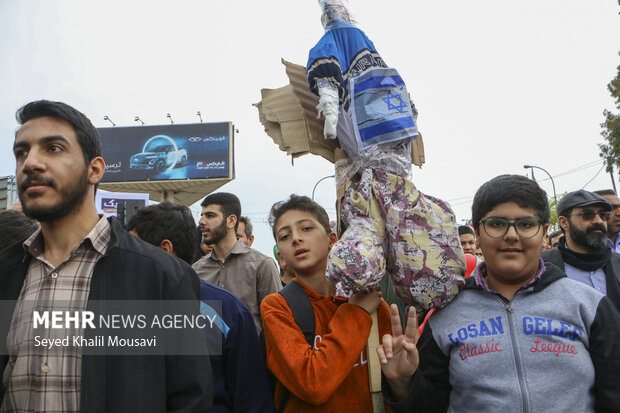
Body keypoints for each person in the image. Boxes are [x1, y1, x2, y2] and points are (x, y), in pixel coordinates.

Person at [0, 100, 212, 412]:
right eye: (22, 152)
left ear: (95, 169)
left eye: (53, 148)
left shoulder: (163, 276)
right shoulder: (7, 271)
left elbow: (191, 399)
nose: (30, 163)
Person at [378, 175, 620, 412]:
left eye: (526, 224)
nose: (511, 235)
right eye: (496, 224)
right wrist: (402, 382)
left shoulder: (589, 305)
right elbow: (430, 404)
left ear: (544, 232)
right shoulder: (446, 313)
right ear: (478, 233)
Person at [127, 202, 274, 413]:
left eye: (133, 247)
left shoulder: (228, 312)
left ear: (165, 250)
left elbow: (251, 399)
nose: (124, 256)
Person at [261, 195, 392, 412]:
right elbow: (313, 385)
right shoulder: (276, 307)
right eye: (284, 236)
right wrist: (356, 313)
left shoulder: (368, 298)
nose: (295, 238)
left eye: (306, 229)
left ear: (333, 240)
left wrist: (403, 381)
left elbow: (391, 384)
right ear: (281, 258)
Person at [193, 192, 281, 333]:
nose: (202, 221)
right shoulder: (196, 271)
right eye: (202, 215)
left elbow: (276, 324)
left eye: (210, 216)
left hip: (251, 354)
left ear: (231, 221)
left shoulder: (262, 265)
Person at [541, 190, 620, 312]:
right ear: (564, 222)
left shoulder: (617, 263)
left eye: (603, 215)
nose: (599, 221)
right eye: (587, 215)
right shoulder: (541, 266)